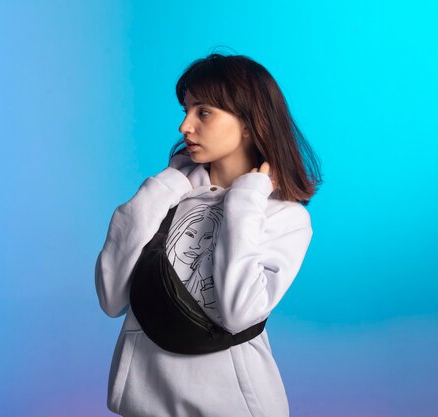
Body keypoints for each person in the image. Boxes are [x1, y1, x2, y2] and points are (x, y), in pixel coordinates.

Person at [94, 52, 322, 417]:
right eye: (186, 110)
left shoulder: (284, 217)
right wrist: (164, 186)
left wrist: (246, 198)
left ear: (248, 123)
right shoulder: (165, 197)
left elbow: (238, 313)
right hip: (144, 403)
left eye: (204, 112)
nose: (185, 126)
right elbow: (111, 297)